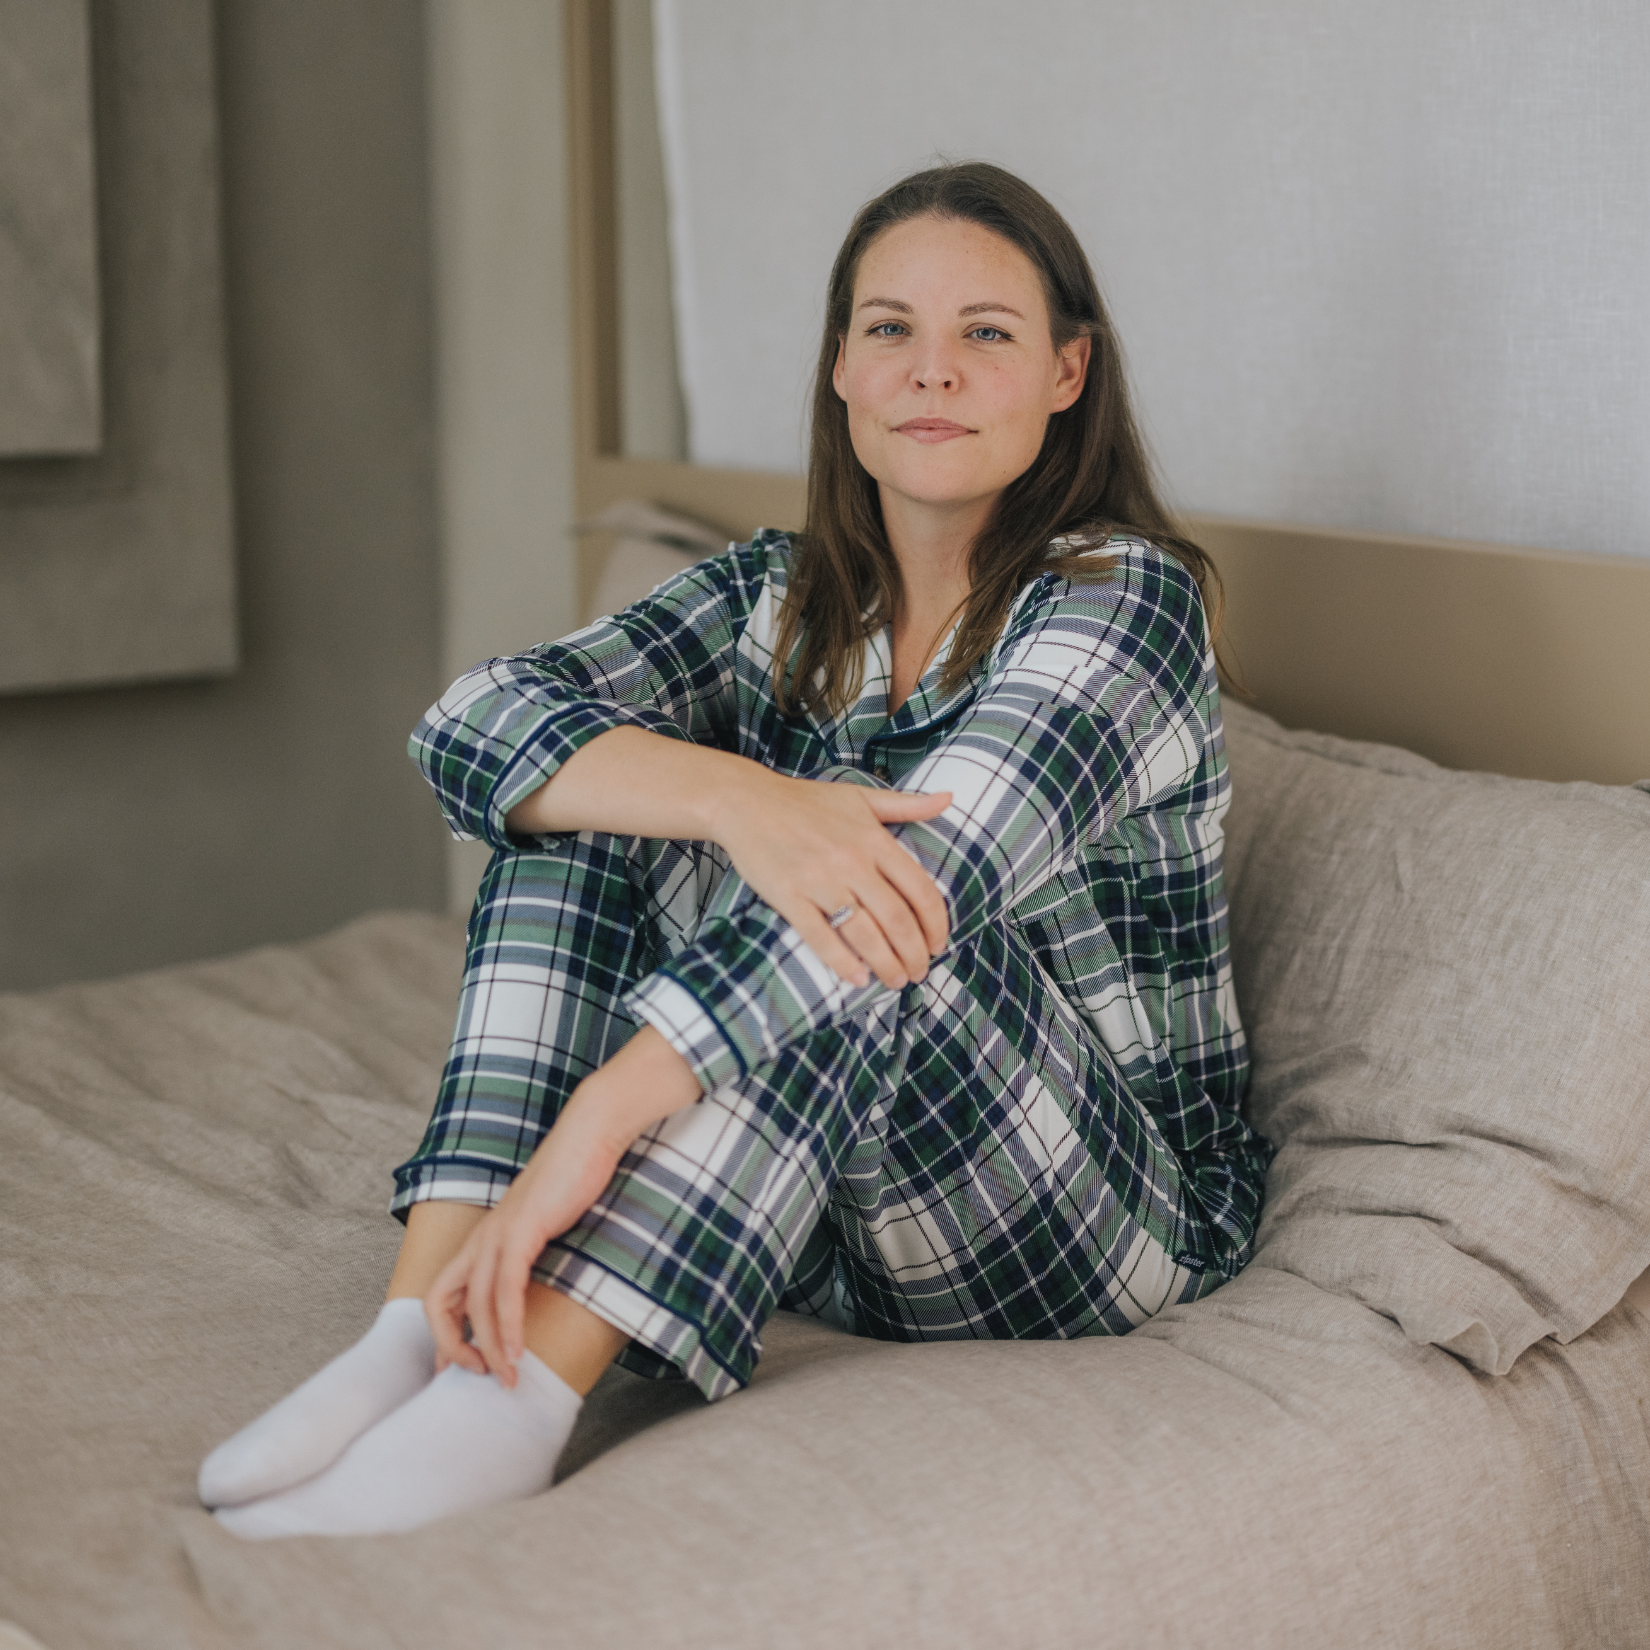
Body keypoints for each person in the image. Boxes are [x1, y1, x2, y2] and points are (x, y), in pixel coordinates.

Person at [202, 161, 1270, 1539]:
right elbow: (471, 723)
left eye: (986, 333)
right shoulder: (777, 593)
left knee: (874, 887)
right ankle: (417, 1329)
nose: (932, 370)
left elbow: (920, 884)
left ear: (1067, 371)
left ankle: (518, 1391)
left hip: (1088, 1226)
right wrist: (734, 799)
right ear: (840, 367)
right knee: (589, 797)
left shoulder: (1127, 600)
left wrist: (599, 1118)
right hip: (820, 1222)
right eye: (889, 328)